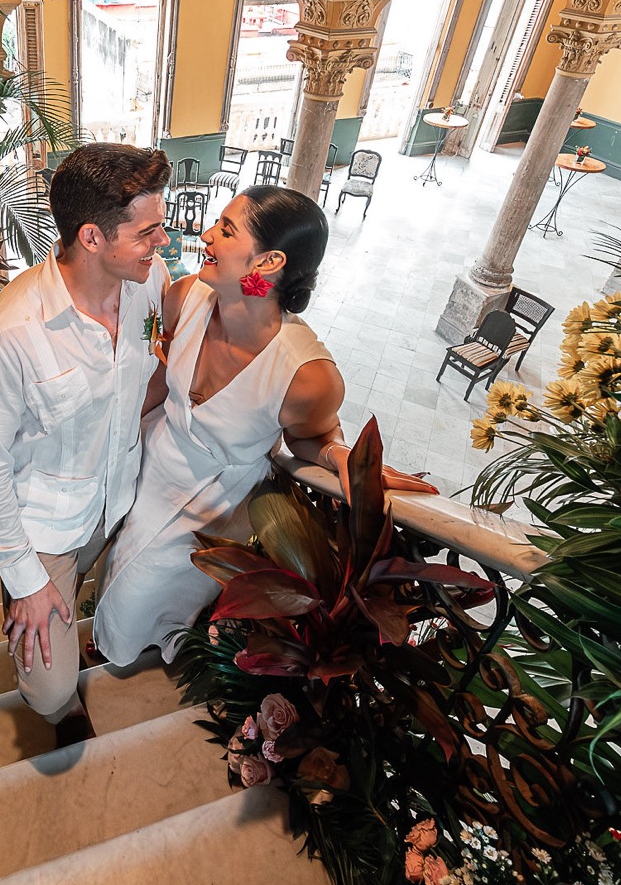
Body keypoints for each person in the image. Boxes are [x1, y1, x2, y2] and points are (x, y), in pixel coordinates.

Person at [94, 185, 435, 668]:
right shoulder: (185, 296)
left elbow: (311, 437)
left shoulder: (306, 375)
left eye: (227, 230)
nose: (207, 236)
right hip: (154, 456)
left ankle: (134, 650)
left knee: (141, 593)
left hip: (212, 502)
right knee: (117, 560)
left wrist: (342, 460)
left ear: (269, 262)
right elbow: (161, 370)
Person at [0, 143, 171, 740]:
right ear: (92, 238)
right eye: (149, 232)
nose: (164, 243)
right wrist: (25, 579)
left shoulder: (147, 285)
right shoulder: (9, 333)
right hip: (46, 526)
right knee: (51, 689)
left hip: (119, 498)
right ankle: (40, 637)